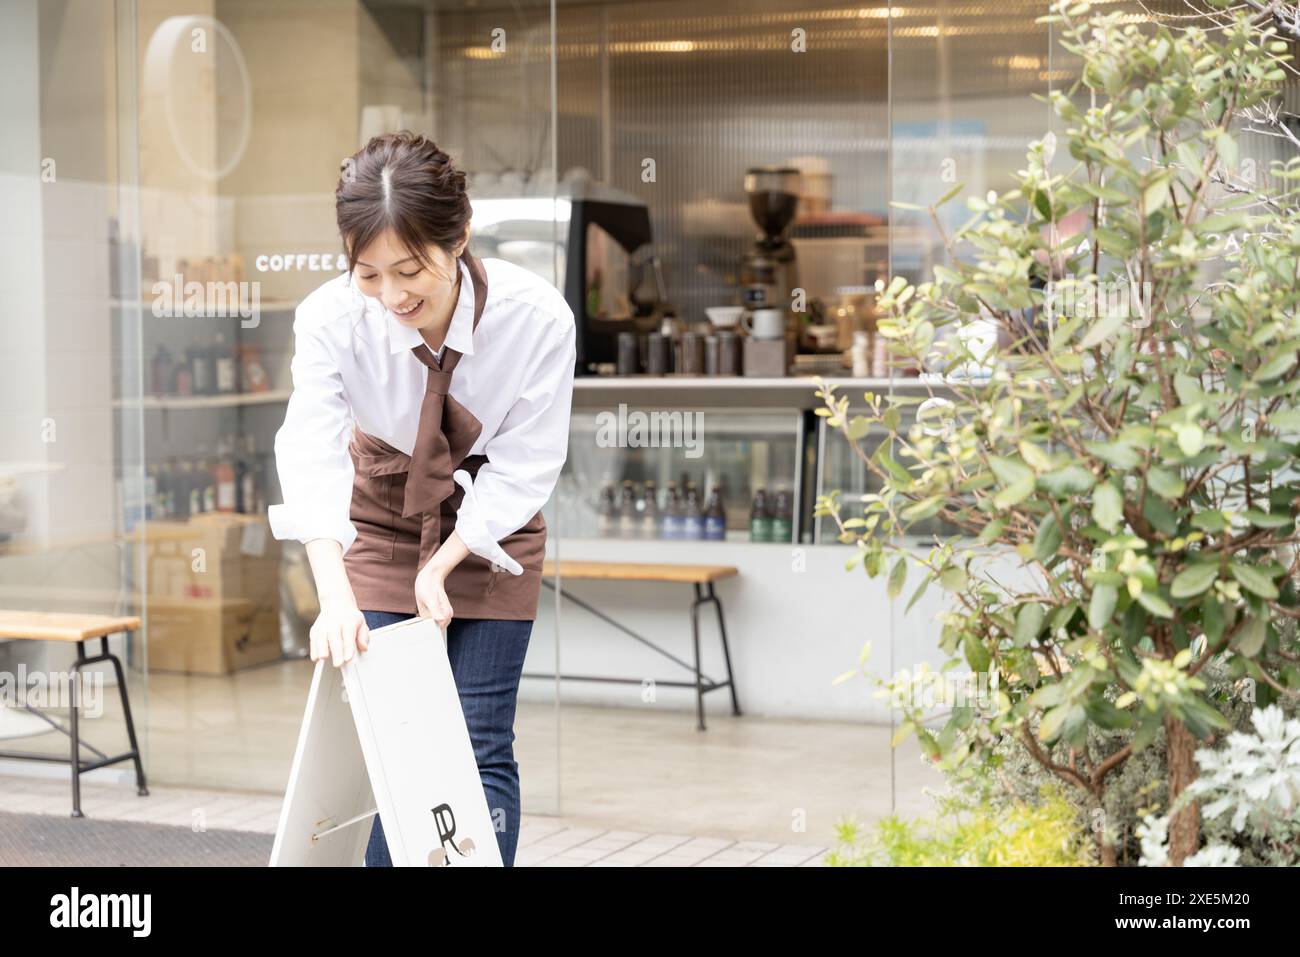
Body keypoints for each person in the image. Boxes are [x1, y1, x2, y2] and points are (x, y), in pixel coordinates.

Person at [267, 131, 576, 867]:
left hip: (489, 526)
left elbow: (526, 462)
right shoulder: (330, 319)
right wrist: (334, 593)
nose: (392, 295)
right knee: (392, 738)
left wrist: (445, 564)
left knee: (478, 740)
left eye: (410, 270)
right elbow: (309, 450)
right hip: (377, 520)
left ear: (459, 236)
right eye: (368, 273)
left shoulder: (536, 319)